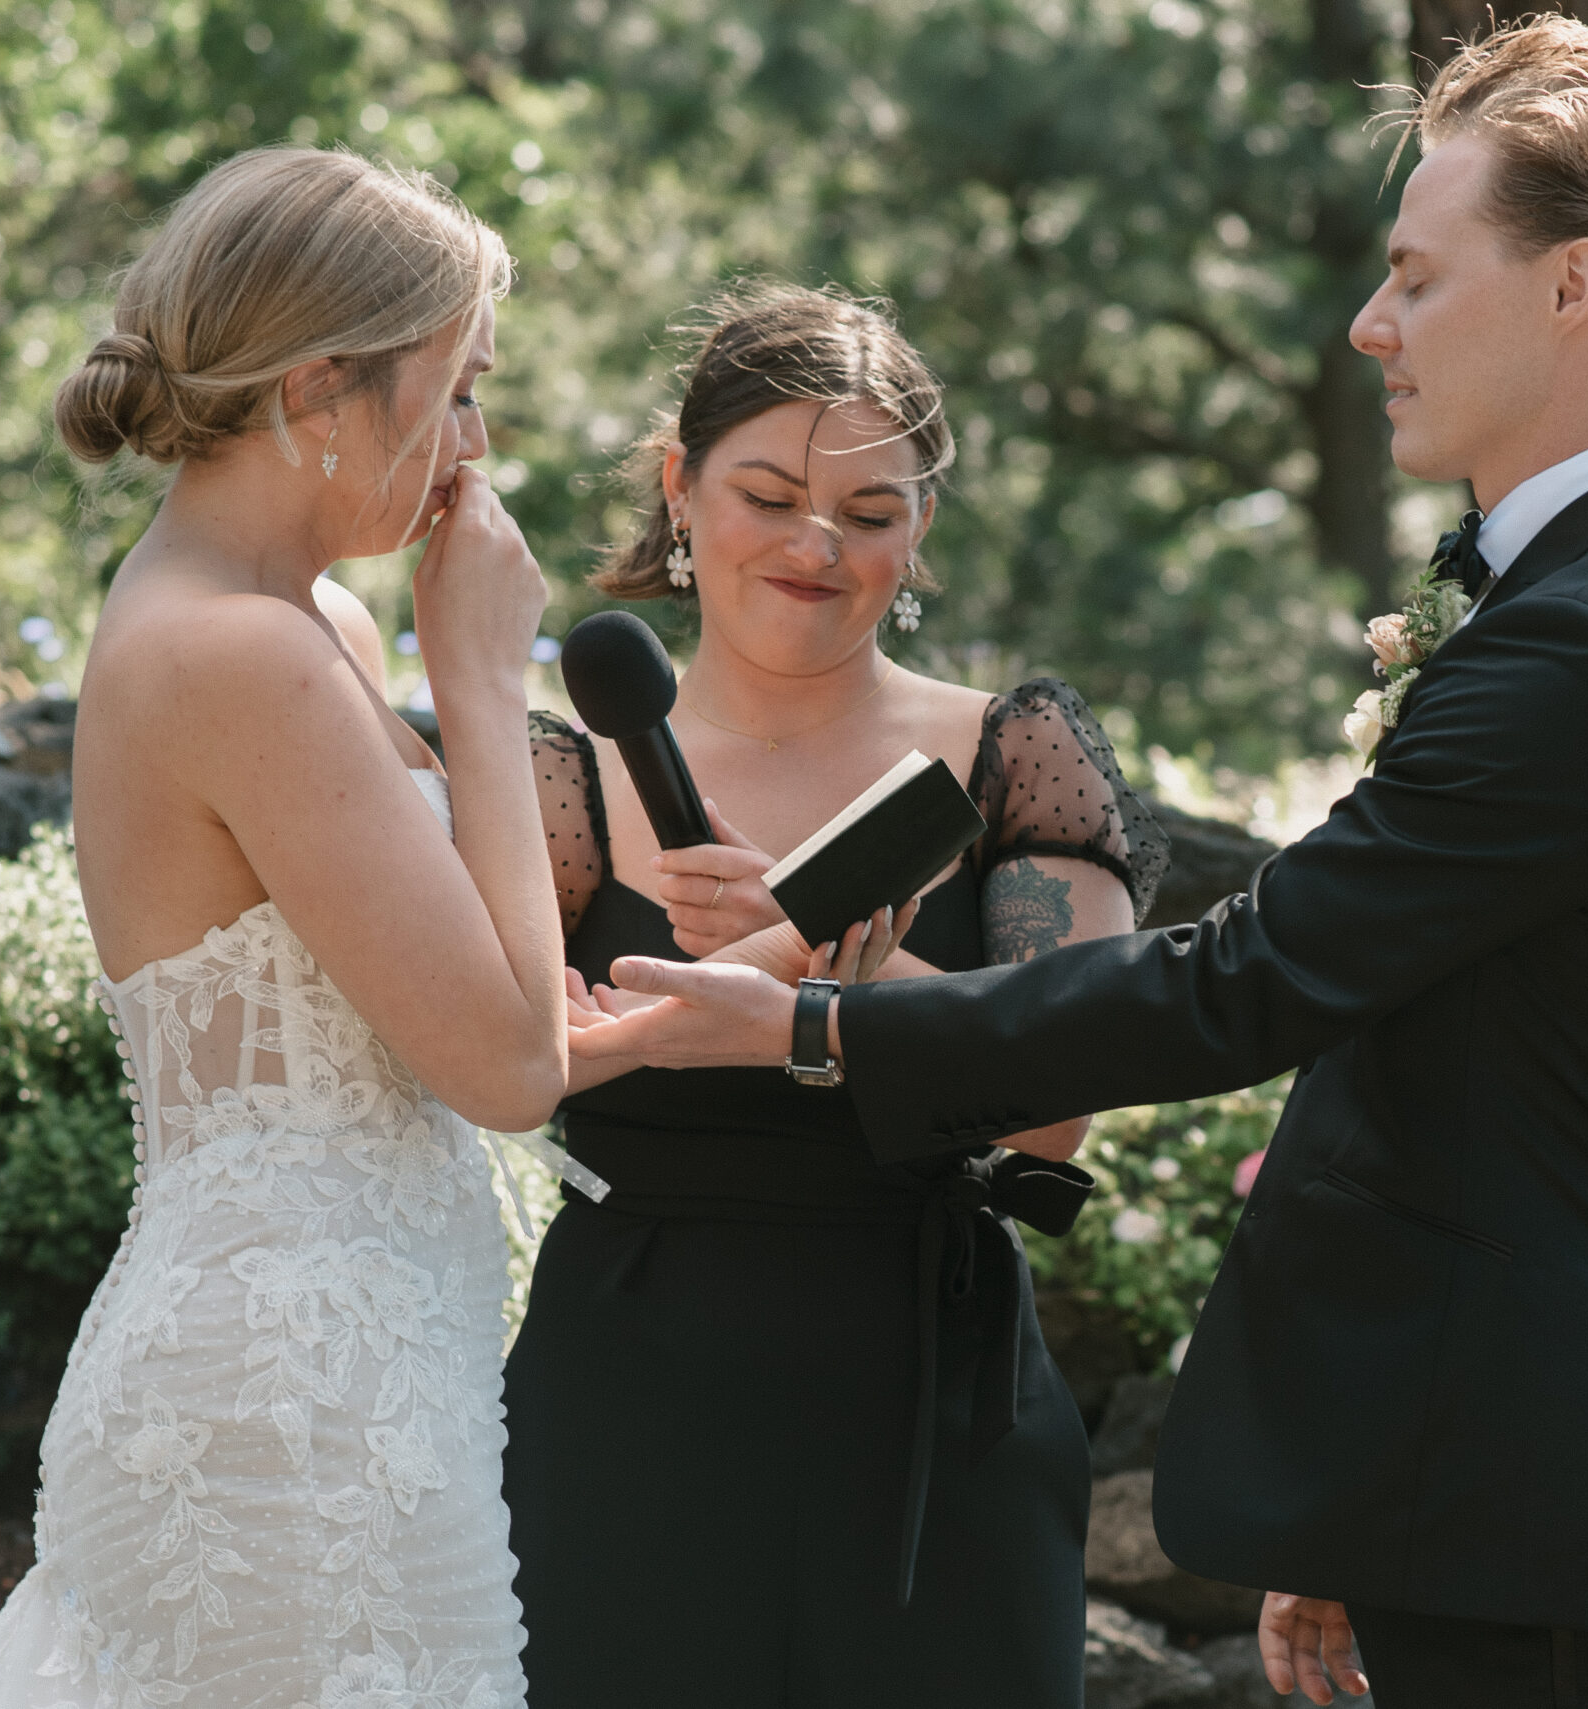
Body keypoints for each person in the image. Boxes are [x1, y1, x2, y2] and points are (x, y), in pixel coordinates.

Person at [562, 21, 1588, 1709]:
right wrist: (1352, 1500)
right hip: (1468, 1467)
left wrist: (816, 1024)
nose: (1369, 325)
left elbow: (1250, 981)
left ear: (1574, 289)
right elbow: (1438, 1057)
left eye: (1415, 275)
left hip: (1543, 1485)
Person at [0, 147, 584, 1709]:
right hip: (290, 1416)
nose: (476, 442)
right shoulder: (237, 653)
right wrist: (479, 679)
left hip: (365, 1382)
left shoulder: (305, 623)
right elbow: (508, 1062)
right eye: (459, 389)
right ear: (319, 393)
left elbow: (448, 982)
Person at [502, 282, 1168, 1709]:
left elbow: (1060, 1118)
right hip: (630, 1391)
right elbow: (492, 1063)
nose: (819, 545)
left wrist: (831, 964)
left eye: (871, 512)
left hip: (926, 1396)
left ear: (920, 527)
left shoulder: (1013, 753)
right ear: (682, 490)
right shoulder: (567, 776)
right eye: (769, 494)